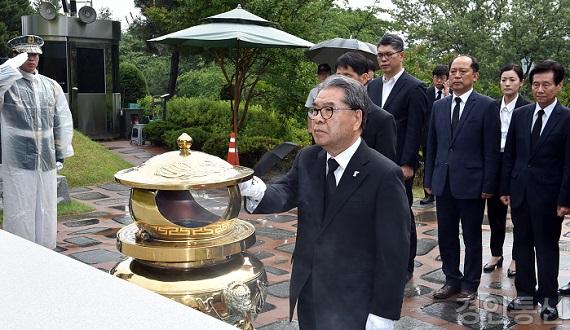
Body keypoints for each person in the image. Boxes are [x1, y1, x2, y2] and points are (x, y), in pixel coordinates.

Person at [240, 75, 410, 329]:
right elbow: (285, 192)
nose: (317, 118)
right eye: (315, 110)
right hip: (309, 289)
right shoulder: (309, 158)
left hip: (354, 300)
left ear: (356, 118)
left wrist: (382, 314)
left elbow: (394, 252)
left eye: (328, 110)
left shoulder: (383, 174)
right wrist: (251, 187)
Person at [424, 55, 501, 301]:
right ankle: (451, 279)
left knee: (471, 236)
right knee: (446, 234)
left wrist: (489, 183)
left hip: (472, 183)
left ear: (475, 76)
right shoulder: (439, 106)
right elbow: (432, 145)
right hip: (443, 181)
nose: (456, 76)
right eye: (453, 71)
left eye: (462, 71)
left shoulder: (487, 105)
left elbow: (491, 148)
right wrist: (429, 179)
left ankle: (470, 284)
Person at [500, 60, 570, 321]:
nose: (540, 89)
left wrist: (565, 198)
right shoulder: (521, 114)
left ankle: (549, 298)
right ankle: (525, 294)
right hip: (520, 191)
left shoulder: (566, 118)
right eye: (536, 84)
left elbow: (568, 163)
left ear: (559, 86)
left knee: (547, 247)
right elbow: (511, 154)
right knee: (521, 244)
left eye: (546, 84)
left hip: (550, 196)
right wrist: (505, 187)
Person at [0, 35, 74, 249]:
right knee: (20, 208)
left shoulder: (50, 85)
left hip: (47, 159)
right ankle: (22, 253)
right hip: (18, 160)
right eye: (26, 54)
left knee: (46, 208)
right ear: (15, 56)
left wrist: (61, 151)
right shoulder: (7, 84)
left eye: (35, 54)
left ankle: (46, 251)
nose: (32, 58)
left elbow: (62, 119)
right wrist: (10, 66)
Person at [367, 33, 428, 281]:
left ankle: (406, 264)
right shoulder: (372, 86)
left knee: (402, 215)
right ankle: (379, 259)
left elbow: (416, 129)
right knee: (374, 213)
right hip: (373, 162)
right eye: (379, 55)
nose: (383, 59)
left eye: (388, 55)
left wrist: (408, 163)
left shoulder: (414, 87)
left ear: (401, 55)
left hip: (398, 163)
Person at [483, 64, 529, 277]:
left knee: (519, 215)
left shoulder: (527, 108)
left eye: (512, 79)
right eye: (504, 79)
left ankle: (518, 258)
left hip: (518, 165)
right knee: (495, 214)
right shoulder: (491, 107)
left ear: (521, 82)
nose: (507, 83)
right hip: (495, 163)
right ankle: (496, 253)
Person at [336, 51, 397, 162]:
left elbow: (385, 165)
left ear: (364, 78)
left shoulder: (382, 120)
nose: (341, 82)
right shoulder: (329, 112)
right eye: (338, 76)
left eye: (347, 76)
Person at [420, 65, 449, 205]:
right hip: (428, 135)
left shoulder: (451, 94)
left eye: (442, 78)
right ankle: (429, 194)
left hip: (446, 137)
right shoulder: (427, 92)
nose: (439, 81)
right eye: (436, 77)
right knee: (428, 162)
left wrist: (447, 94)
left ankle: (443, 191)